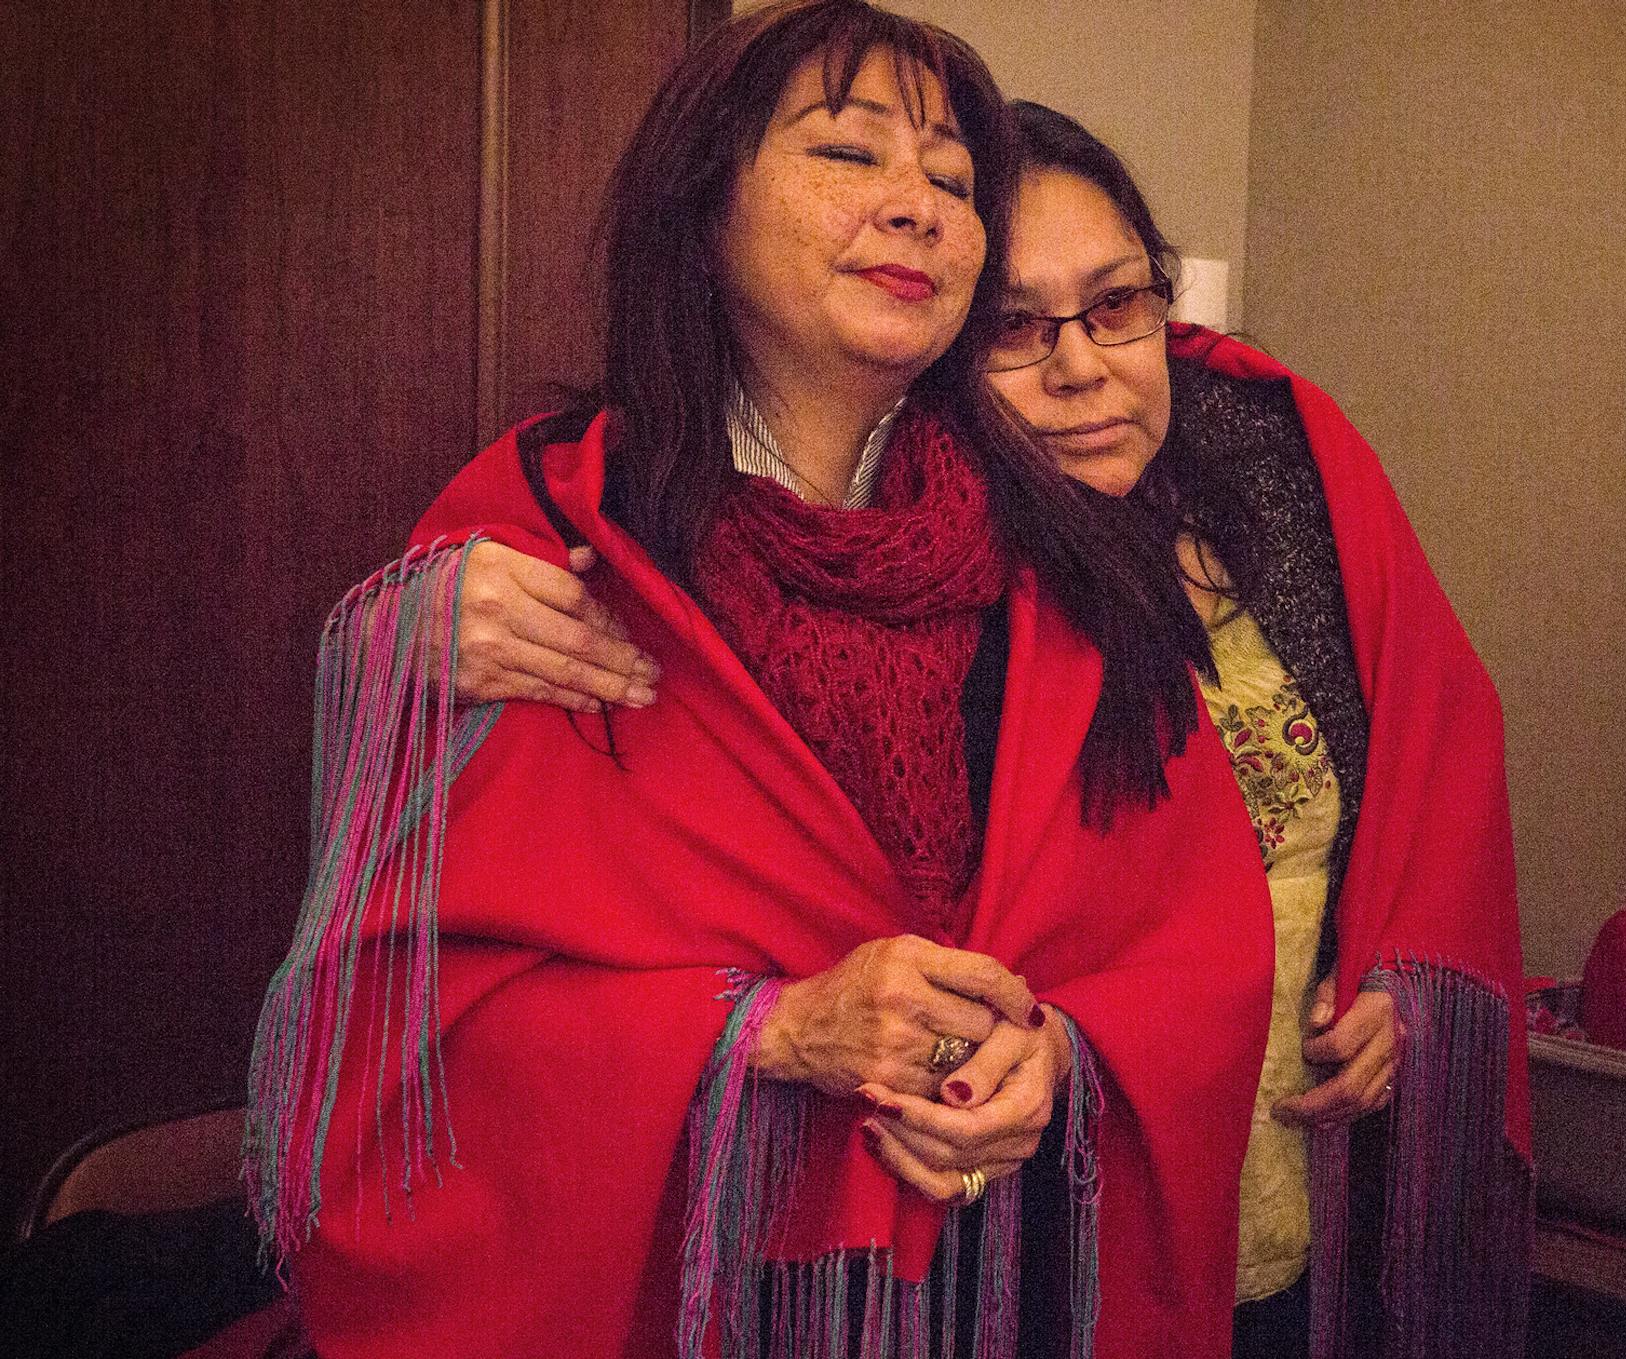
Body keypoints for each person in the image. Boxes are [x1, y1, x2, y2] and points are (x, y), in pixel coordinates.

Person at [420, 93, 1534, 1358]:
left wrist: (1393, 967)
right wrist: (408, 619)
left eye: (1119, 304)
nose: (1083, 364)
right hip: (1033, 1223)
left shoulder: (1275, 456)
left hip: (1297, 1177)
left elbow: (1434, 759)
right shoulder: (915, 559)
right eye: (1016, 327)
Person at [247, 5, 1282, 1357]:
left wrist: (1072, 1052)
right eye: (850, 154)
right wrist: (767, 1034)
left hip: (1006, 1270)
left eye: (955, 182)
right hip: (689, 1287)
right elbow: (424, 1015)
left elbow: (1195, 941)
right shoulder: (551, 537)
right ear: (704, 208)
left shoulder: (1078, 563)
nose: (919, 209)